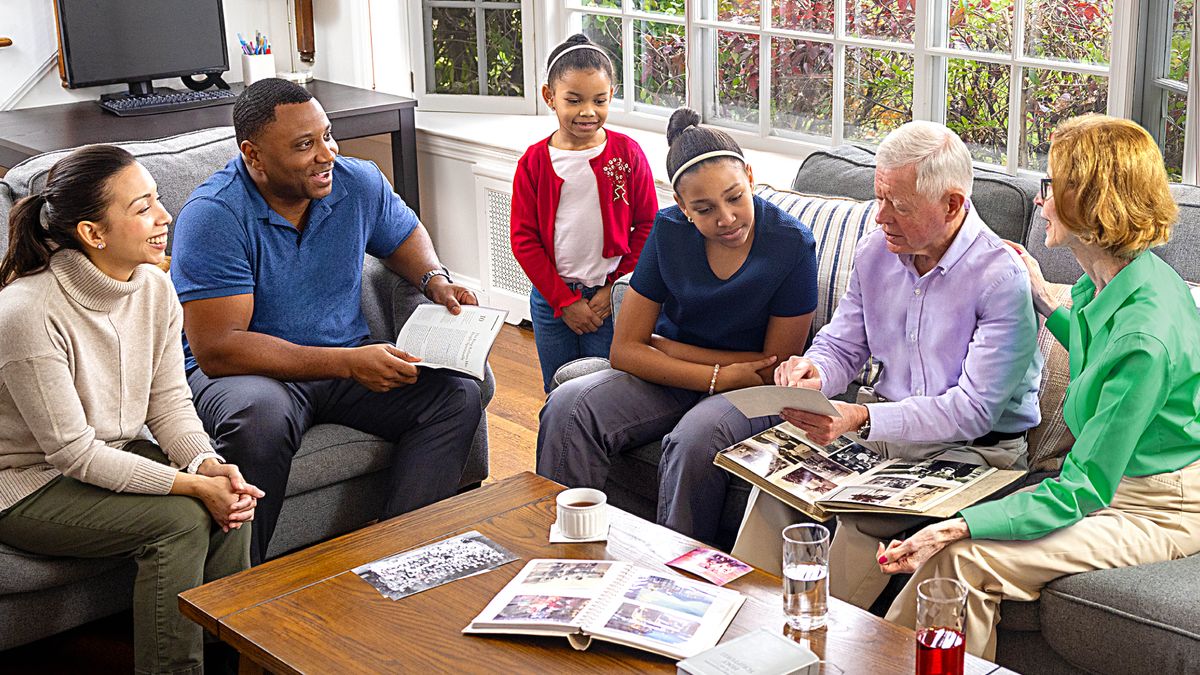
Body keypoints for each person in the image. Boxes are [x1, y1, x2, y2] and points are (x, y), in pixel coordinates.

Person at [877, 115, 1200, 660]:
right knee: (953, 549)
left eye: (1051, 188)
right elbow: (1105, 353)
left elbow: (1084, 486)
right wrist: (1048, 303)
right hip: (1119, 486)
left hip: (1154, 507)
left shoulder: (1147, 334)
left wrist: (957, 527)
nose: (1038, 201)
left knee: (961, 560)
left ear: (1091, 204)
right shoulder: (1119, 279)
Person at [170, 78, 482, 565]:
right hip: (249, 374)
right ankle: (235, 596)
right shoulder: (213, 217)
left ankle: (403, 559)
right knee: (259, 420)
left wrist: (435, 279)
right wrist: (347, 363)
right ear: (253, 155)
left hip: (341, 363)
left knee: (453, 395)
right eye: (304, 145)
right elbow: (218, 348)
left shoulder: (357, 183)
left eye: (327, 135)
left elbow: (404, 234)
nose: (326, 154)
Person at [0, 146, 262, 674]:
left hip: (109, 453)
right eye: (142, 208)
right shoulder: (27, 313)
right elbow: (74, 454)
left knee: (232, 499)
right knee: (183, 520)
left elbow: (168, 402)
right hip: (26, 483)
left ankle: (230, 661)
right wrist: (192, 487)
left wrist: (206, 466)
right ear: (93, 234)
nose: (166, 217)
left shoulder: (156, 288)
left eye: (158, 200)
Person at [771, 121, 1042, 610]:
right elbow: (844, 343)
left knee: (857, 523)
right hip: (885, 436)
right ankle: (746, 645)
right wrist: (814, 372)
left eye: (899, 205)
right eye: (879, 198)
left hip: (975, 452)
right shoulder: (877, 251)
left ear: (953, 205)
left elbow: (973, 411)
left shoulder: (1000, 277)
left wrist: (861, 417)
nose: (880, 217)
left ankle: (810, 645)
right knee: (775, 491)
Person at [537, 107, 818, 544]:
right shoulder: (668, 232)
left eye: (735, 197)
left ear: (749, 175)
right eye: (704, 209)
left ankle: (679, 587)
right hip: (692, 378)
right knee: (568, 406)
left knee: (694, 441)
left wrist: (670, 350)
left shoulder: (791, 244)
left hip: (753, 391)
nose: (726, 218)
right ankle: (567, 556)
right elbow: (624, 351)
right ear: (682, 206)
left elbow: (773, 368)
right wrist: (715, 375)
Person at [511, 34, 657, 393]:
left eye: (599, 100)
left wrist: (614, 288)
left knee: (605, 392)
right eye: (573, 101)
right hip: (551, 302)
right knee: (558, 392)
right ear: (550, 97)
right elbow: (523, 240)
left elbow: (649, 225)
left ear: (612, 94)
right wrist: (564, 301)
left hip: (610, 299)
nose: (587, 111)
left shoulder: (627, 154)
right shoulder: (533, 162)